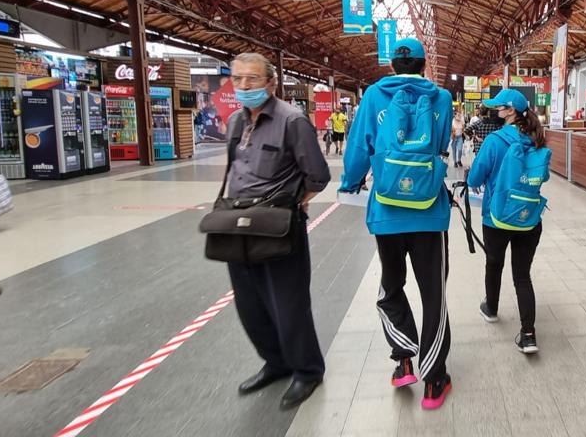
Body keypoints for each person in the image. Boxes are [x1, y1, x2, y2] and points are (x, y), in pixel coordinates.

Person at [338, 37, 454, 411]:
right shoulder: (442, 98)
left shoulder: (374, 95)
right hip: (429, 210)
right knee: (433, 293)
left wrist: (350, 182)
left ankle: (403, 359)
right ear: (424, 64)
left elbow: (360, 146)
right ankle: (434, 380)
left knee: (391, 286)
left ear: (392, 65)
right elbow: (441, 143)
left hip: (387, 211)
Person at [222, 53, 331, 410]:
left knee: (289, 303)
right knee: (250, 304)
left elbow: (318, 176)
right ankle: (276, 361)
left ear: (271, 83)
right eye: (237, 79)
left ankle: (307, 370)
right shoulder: (236, 121)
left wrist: (294, 202)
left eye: (252, 79)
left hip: (278, 227)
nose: (244, 86)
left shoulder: (292, 121)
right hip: (238, 225)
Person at [467, 89, 547, 354]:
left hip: (496, 217)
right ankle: (528, 335)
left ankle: (491, 308)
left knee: (494, 264)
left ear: (510, 111)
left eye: (499, 107)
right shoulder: (537, 139)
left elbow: (474, 179)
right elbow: (542, 177)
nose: (495, 111)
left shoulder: (495, 140)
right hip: (529, 218)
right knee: (522, 275)